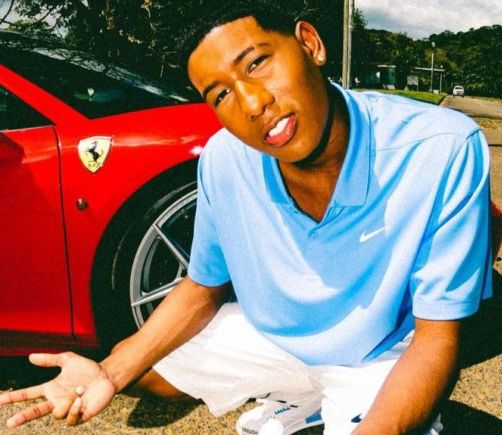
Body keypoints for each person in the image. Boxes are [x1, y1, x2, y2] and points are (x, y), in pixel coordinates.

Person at [0, 1, 492, 434]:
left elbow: (438, 336)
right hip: (276, 338)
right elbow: (203, 286)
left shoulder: (442, 147)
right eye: (220, 94)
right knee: (144, 374)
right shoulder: (223, 159)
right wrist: (108, 372)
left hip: (380, 351)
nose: (253, 104)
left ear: (310, 44)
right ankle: (305, 394)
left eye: (257, 63)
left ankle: (336, 398)